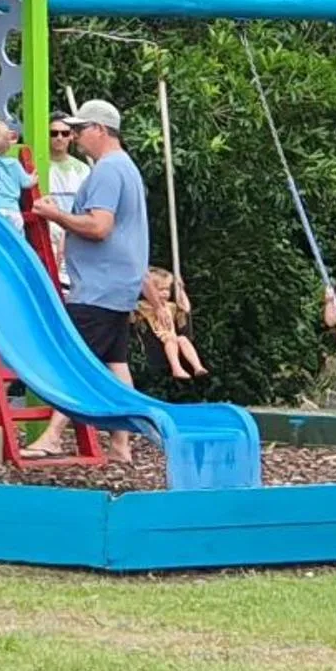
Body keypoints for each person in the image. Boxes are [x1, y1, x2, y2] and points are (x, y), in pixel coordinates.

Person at [33, 99, 149, 463]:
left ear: (100, 130)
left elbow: (99, 226)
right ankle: (121, 445)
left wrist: (56, 215)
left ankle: (52, 435)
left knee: (74, 361)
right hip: (120, 283)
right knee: (116, 364)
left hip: (98, 286)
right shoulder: (126, 167)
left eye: (80, 130)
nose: (75, 137)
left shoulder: (106, 171)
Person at [137, 267, 206, 382]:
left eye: (167, 289)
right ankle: (176, 368)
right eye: (160, 289)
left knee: (183, 339)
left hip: (172, 337)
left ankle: (197, 367)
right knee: (171, 340)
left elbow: (186, 309)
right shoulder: (145, 305)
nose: (165, 293)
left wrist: (180, 289)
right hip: (158, 339)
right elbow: (132, 308)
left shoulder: (170, 306)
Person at [43, 117, 89, 284]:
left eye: (64, 133)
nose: (59, 137)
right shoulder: (38, 165)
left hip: (73, 230)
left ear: (71, 136)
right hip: (46, 230)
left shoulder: (83, 170)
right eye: (53, 133)